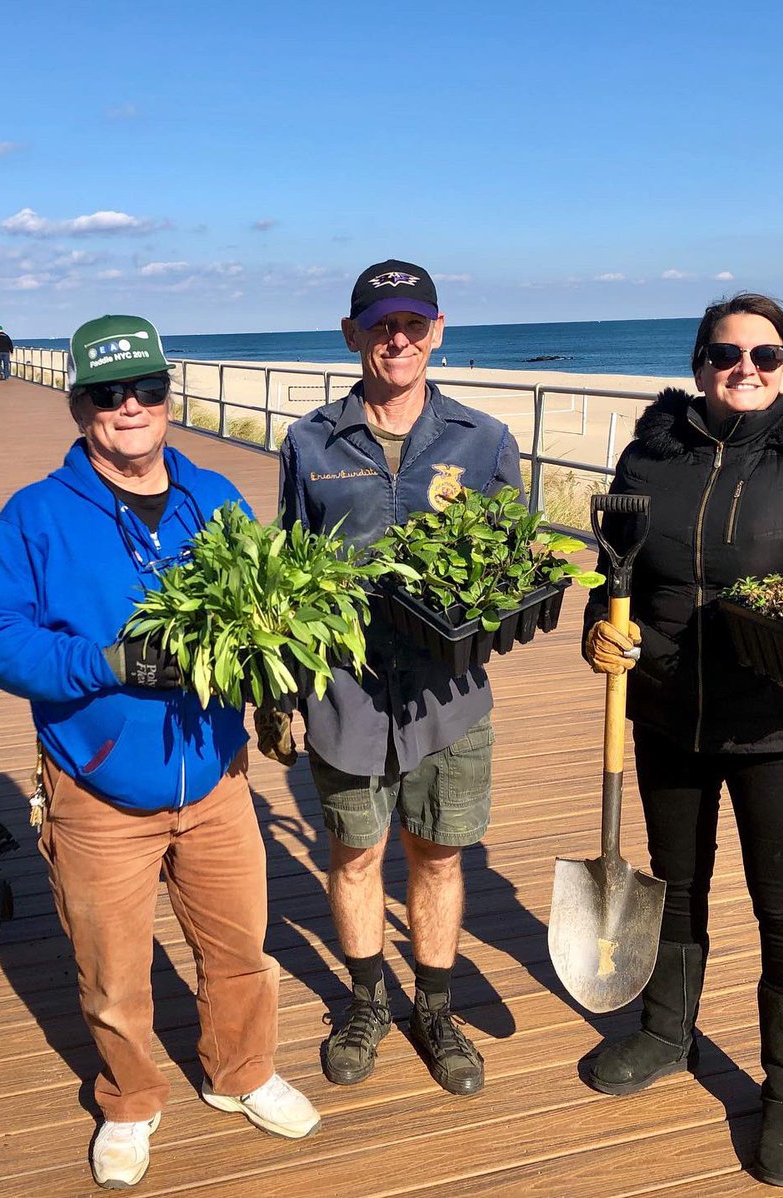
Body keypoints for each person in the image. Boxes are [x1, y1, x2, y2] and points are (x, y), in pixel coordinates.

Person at [0, 314, 320, 1190]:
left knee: (242, 952)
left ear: (169, 397)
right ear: (80, 404)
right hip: (97, 790)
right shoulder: (36, 517)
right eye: (109, 393)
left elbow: (263, 611)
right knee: (112, 974)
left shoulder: (217, 500)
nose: (131, 408)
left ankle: (241, 1073)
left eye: (148, 390)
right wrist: (100, 662)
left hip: (214, 777)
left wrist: (277, 686)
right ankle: (130, 1100)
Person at [580, 293, 783, 1188]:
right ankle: (667, 1032)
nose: (743, 368)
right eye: (724, 352)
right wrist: (604, 627)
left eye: (766, 355)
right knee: (674, 887)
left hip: (782, 726)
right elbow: (616, 575)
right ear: (696, 360)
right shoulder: (651, 453)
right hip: (669, 712)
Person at [272, 260, 523, 1096]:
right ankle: (366, 1002)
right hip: (343, 695)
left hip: (449, 697)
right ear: (352, 335)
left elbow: (513, 567)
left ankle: (435, 1008)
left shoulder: (483, 440)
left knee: (440, 860)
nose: (398, 339)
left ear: (438, 330)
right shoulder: (310, 440)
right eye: (380, 324)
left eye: (413, 323)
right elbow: (285, 569)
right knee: (352, 858)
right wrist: (279, 688)